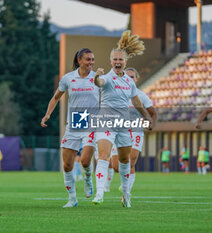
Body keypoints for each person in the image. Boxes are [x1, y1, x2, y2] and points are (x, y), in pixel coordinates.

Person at [92, 30, 153, 207]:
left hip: (123, 124)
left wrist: (145, 117)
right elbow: (99, 83)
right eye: (115, 59)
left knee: (124, 161)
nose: (118, 62)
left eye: (121, 60)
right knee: (103, 156)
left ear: (125, 62)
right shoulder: (107, 78)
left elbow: (136, 101)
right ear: (111, 61)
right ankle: (99, 193)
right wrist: (97, 75)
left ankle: (126, 194)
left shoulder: (129, 82)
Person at [40, 48, 98, 208]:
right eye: (88, 59)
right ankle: (72, 199)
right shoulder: (68, 78)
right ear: (79, 60)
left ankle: (87, 178)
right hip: (75, 122)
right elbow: (56, 97)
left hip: (92, 122)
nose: (91, 63)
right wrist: (47, 115)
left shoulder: (98, 78)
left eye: (92, 59)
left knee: (85, 161)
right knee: (67, 165)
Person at [105, 67, 157, 194]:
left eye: (132, 77)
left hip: (135, 132)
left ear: (136, 79)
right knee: (117, 167)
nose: (129, 79)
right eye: (127, 76)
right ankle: (124, 184)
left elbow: (153, 113)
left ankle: (126, 190)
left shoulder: (142, 96)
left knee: (131, 161)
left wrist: (151, 124)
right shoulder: (115, 93)